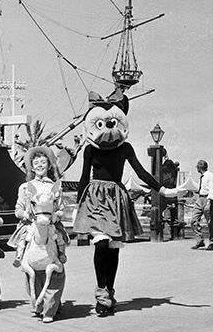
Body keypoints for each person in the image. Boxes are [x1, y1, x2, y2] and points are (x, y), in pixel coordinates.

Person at [73, 89, 180, 316]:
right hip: (95, 198)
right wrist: (78, 206)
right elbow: (84, 177)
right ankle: (101, 295)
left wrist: (163, 190)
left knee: (113, 248)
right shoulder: (90, 149)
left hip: (116, 198)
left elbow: (141, 172)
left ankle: (109, 292)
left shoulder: (125, 148)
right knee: (101, 244)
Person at [8, 146, 69, 267]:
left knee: (58, 236)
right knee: (24, 237)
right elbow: (18, 210)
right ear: (32, 167)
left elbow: (61, 209)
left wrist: (56, 216)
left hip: (50, 222)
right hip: (31, 223)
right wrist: (26, 215)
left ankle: (61, 254)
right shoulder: (25, 187)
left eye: (43, 162)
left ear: (49, 165)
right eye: (36, 163)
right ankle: (20, 257)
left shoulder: (55, 187)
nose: (40, 165)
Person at [190, 159, 213, 250]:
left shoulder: (210, 176)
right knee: (194, 220)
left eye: (197, 167)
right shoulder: (202, 177)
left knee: (211, 221)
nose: (196, 169)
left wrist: (209, 201)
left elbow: (212, 189)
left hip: (208, 199)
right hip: (200, 198)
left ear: (199, 167)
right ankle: (200, 240)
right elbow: (201, 188)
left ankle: (212, 242)